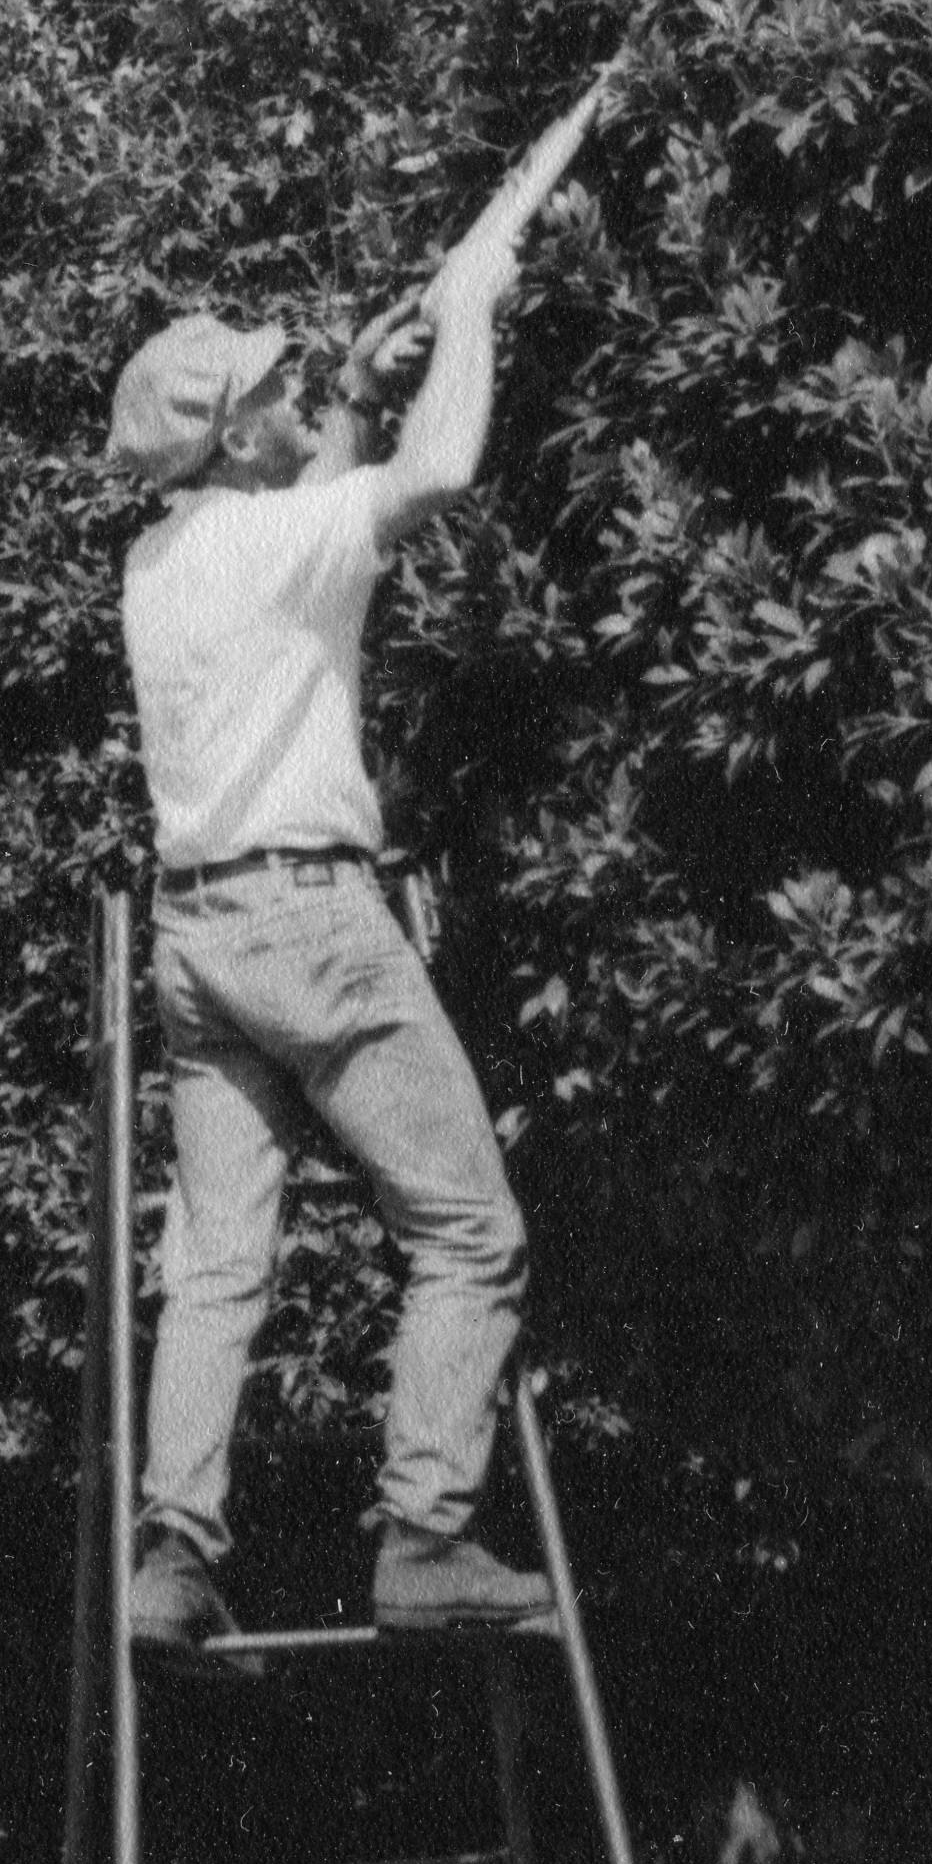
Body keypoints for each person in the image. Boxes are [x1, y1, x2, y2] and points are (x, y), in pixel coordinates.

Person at [102, 83, 609, 1650]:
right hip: (316, 922)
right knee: (472, 1235)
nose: (288, 388)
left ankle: (174, 1558)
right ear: (229, 439)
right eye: (266, 392)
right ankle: (425, 1535)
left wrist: (358, 394)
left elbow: (314, 492)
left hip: (196, 948)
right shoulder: (276, 540)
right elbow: (433, 481)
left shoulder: (164, 557)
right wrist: (467, 316)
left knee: (216, 1272)